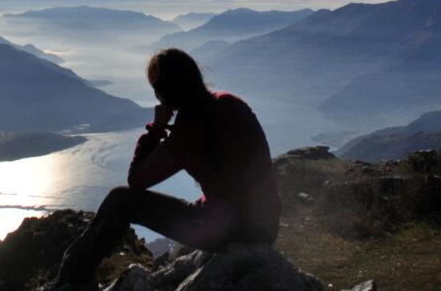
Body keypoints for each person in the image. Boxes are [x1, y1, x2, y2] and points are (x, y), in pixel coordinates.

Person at [47, 48, 281, 290]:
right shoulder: (229, 102)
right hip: (264, 225)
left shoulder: (191, 127)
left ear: (168, 92)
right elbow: (236, 178)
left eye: (157, 90)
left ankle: (71, 279)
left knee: (121, 201)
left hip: (235, 230)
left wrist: (157, 129)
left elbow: (136, 180)